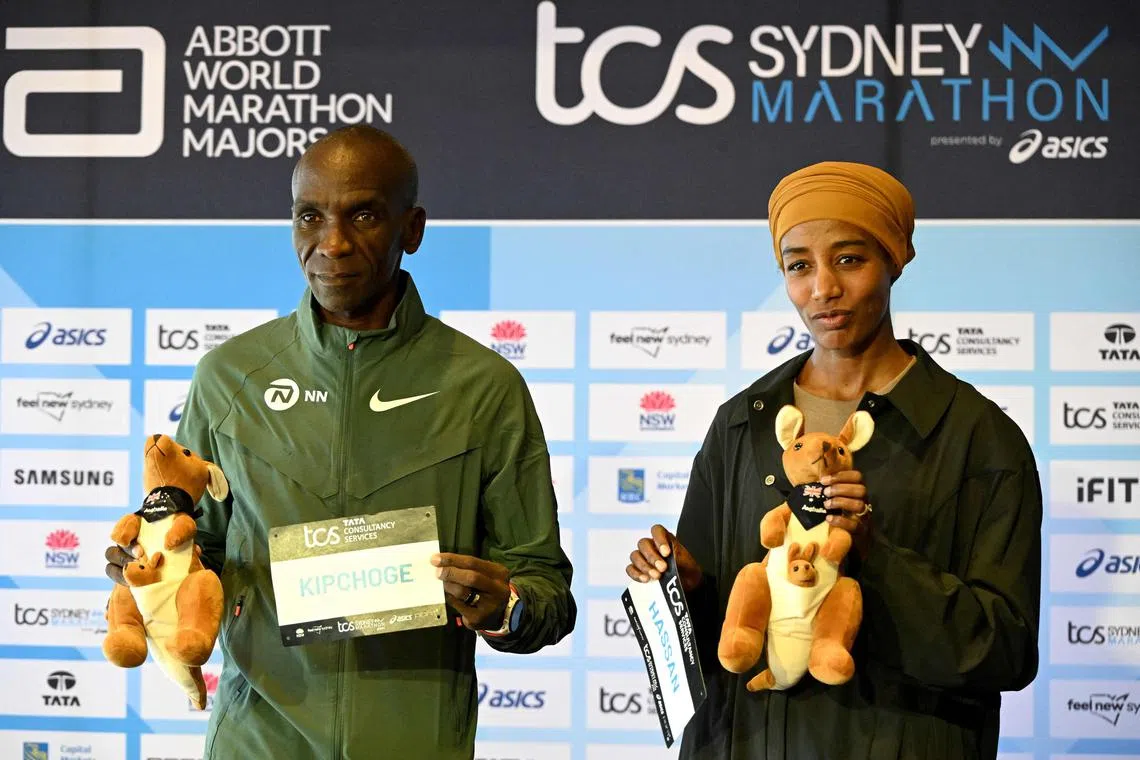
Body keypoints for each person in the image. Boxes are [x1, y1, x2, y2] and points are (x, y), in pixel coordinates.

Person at [106, 125, 575, 759]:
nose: (332, 242)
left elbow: (543, 587)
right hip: (256, 743)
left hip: (417, 743)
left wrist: (505, 607)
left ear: (412, 230)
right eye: (309, 216)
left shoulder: (484, 387)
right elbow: (201, 545)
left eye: (363, 215)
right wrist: (157, 577)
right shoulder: (230, 378)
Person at [627, 161, 1041, 759]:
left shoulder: (979, 438)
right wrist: (683, 586)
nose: (822, 288)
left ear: (895, 260)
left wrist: (874, 558)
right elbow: (721, 629)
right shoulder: (742, 424)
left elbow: (1004, 649)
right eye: (799, 266)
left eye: (849, 259)